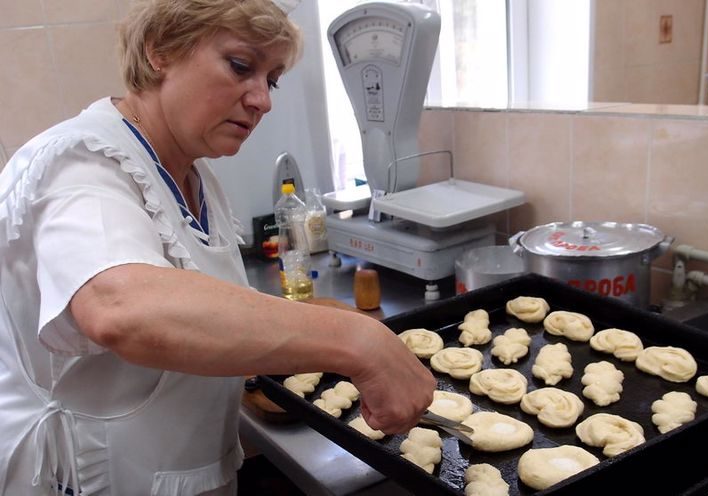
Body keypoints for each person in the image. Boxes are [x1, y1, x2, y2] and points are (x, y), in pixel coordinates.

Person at [0, 1, 436, 494]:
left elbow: (199, 313)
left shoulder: (194, 175)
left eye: (272, 80)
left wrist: (321, 324)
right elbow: (121, 308)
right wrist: (356, 341)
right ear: (161, 50)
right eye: (240, 66)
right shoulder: (80, 161)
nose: (262, 100)